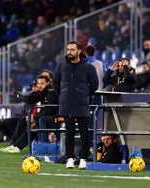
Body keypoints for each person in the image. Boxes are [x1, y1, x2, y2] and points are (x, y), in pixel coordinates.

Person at [53, 41, 99, 169]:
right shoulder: (61, 66)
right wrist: (63, 95)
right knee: (69, 132)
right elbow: (55, 83)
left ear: (79, 51)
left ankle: (83, 159)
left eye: (72, 50)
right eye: (68, 49)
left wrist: (84, 95)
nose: (69, 52)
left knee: (85, 133)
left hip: (82, 104)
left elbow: (94, 85)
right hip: (67, 105)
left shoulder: (88, 67)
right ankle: (69, 158)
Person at [0, 75, 58, 153]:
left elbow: (49, 109)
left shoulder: (51, 91)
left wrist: (35, 116)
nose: (40, 86)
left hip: (53, 117)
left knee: (37, 122)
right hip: (44, 116)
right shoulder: (43, 92)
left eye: (42, 83)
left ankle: (39, 145)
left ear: (48, 83)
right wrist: (20, 96)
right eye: (38, 84)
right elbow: (31, 99)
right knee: (23, 121)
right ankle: (14, 145)